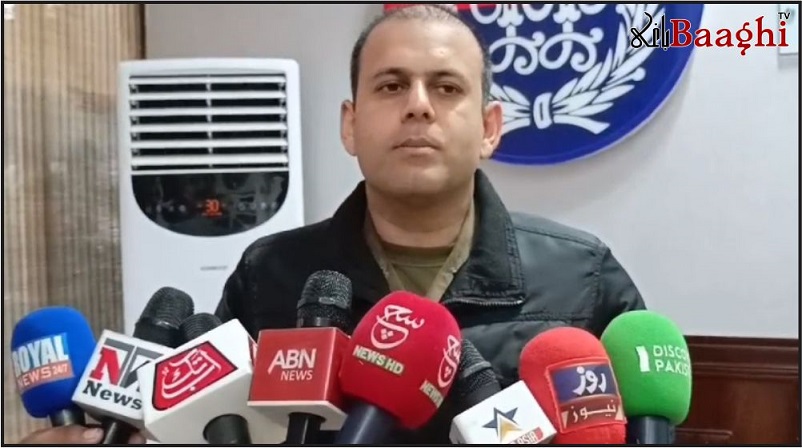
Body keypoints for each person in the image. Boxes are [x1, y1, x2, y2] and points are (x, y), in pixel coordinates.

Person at [17, 4, 645, 444]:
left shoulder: (583, 276)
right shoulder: (271, 274)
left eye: (447, 88)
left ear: (488, 128)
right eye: (391, 86)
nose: (418, 106)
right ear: (351, 125)